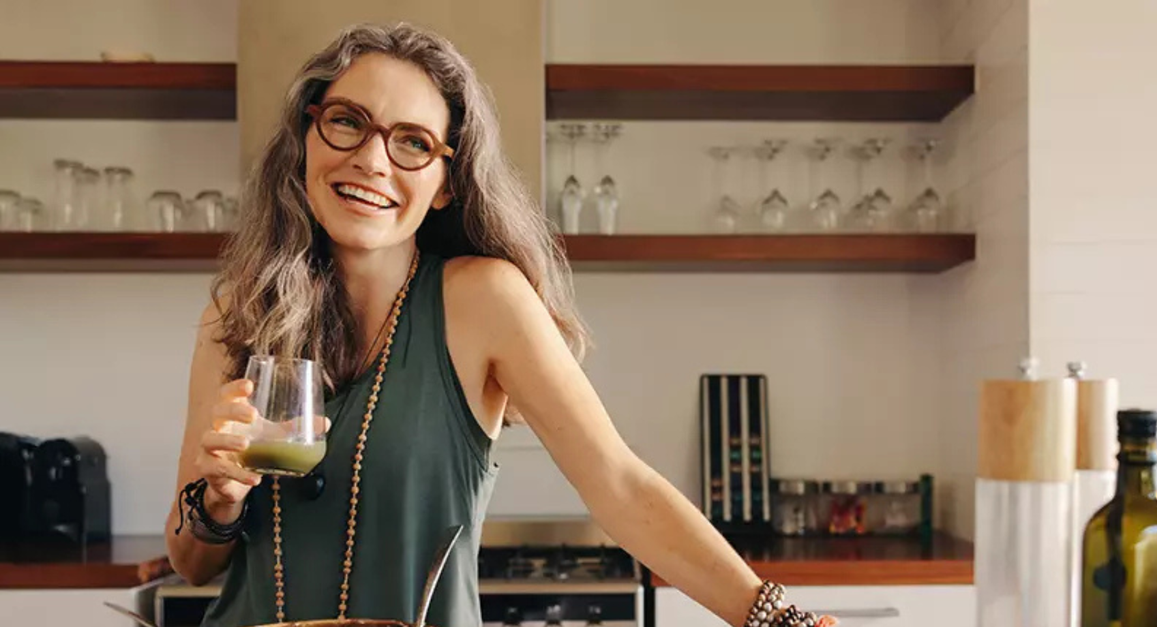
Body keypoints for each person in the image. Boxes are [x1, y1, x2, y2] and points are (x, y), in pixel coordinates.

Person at [165, 21, 834, 627]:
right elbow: (192, 562)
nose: (372, 160)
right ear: (307, 137)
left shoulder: (483, 300)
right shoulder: (237, 310)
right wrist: (216, 500)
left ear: (447, 182)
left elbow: (619, 484)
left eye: (412, 143)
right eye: (347, 121)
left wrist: (771, 615)